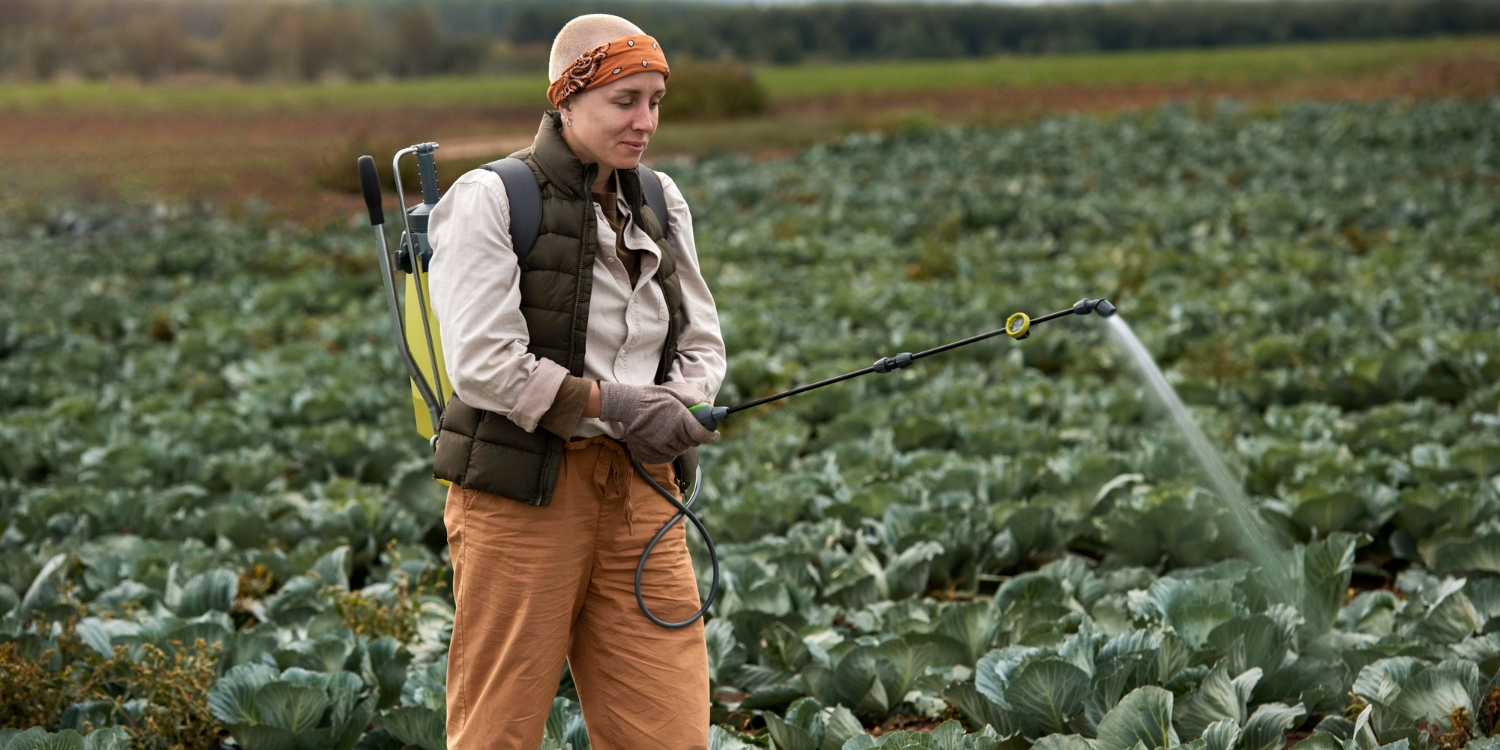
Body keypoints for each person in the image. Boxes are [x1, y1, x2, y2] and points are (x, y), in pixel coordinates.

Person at [424, 12, 725, 750]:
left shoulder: (660, 197)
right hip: (524, 497)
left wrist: (684, 407)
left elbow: (701, 336)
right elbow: (485, 364)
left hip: (642, 493)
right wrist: (617, 404)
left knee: (668, 730)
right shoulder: (491, 198)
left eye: (655, 101)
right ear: (566, 98)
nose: (645, 121)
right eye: (625, 101)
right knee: (500, 729)